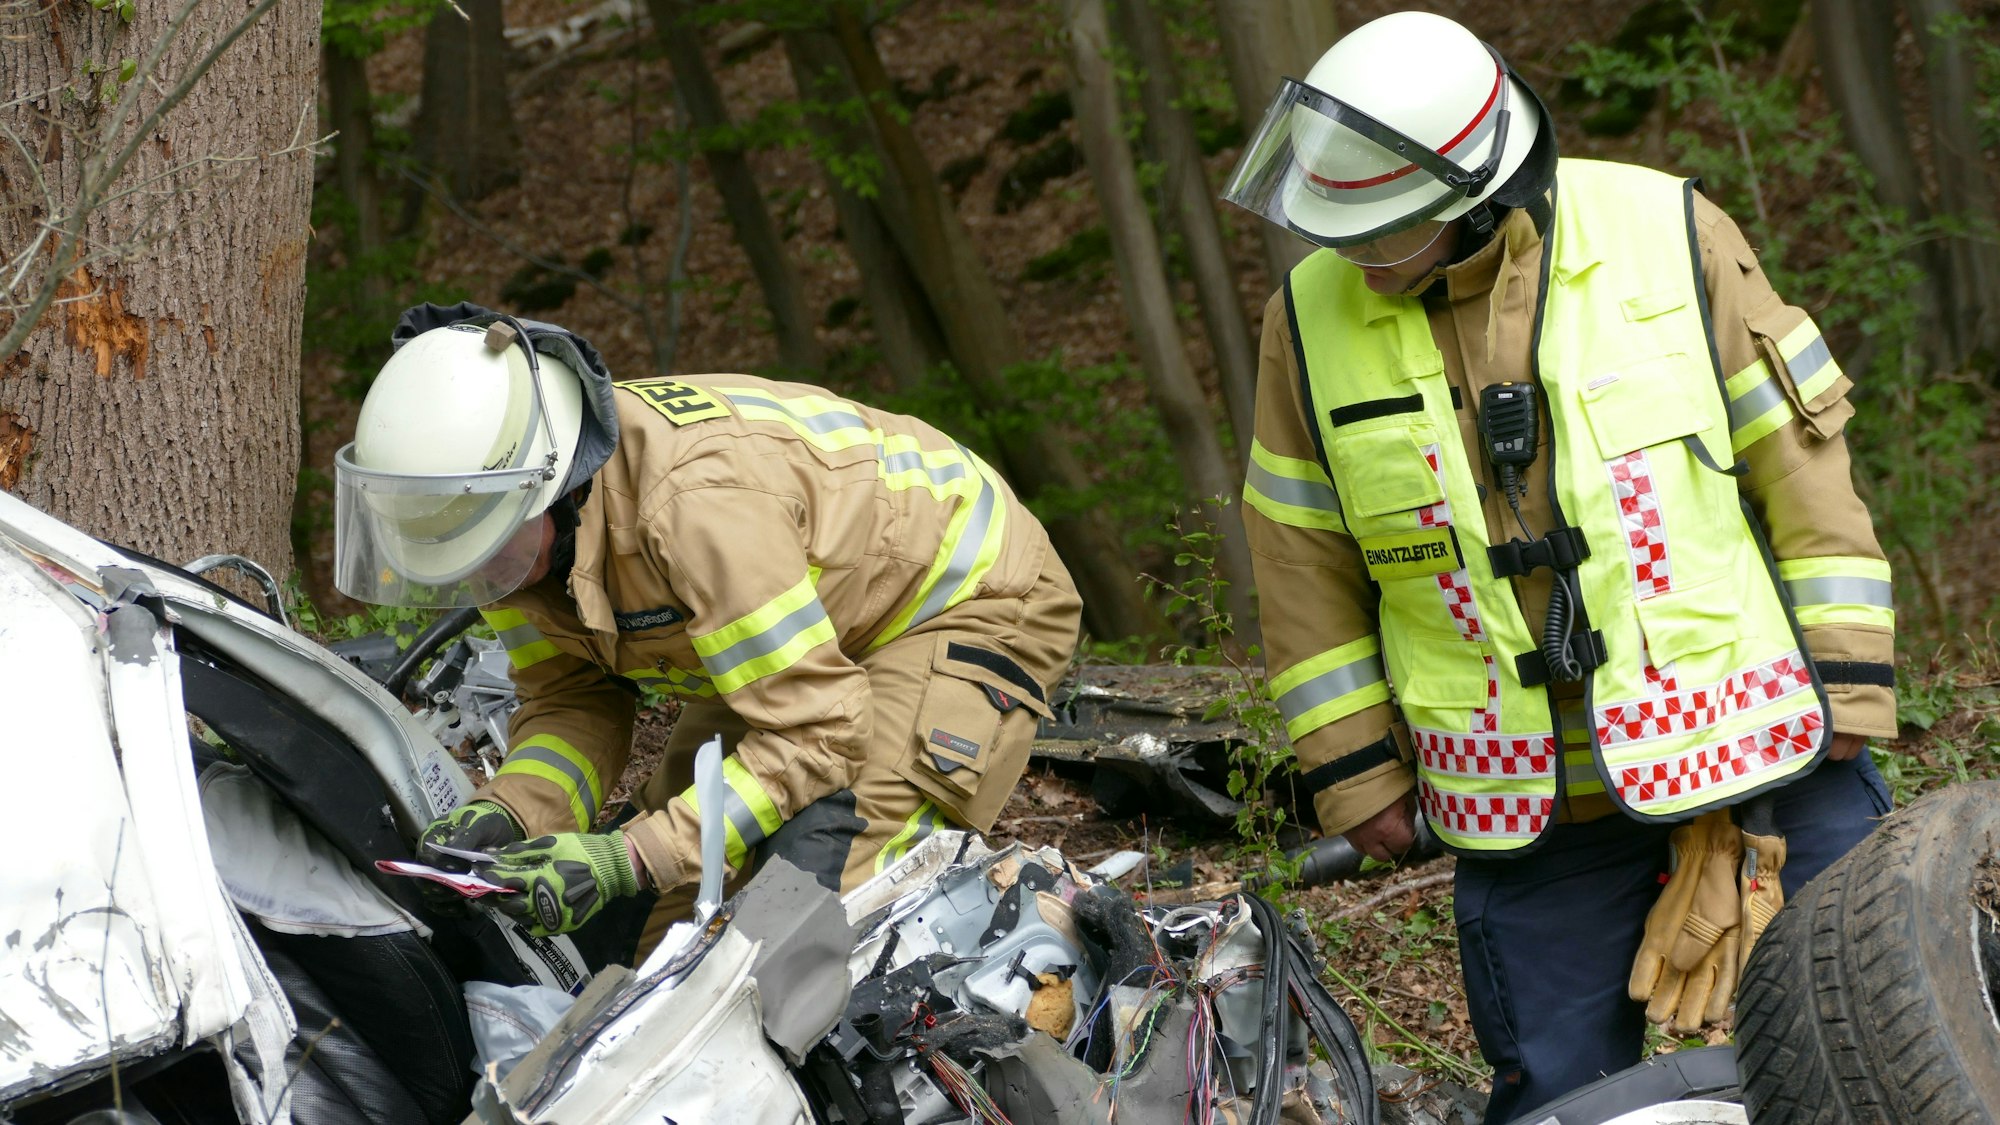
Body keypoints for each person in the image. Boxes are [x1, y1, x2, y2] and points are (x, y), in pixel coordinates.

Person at [1222, 12, 1895, 1121]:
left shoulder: (1666, 230)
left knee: (1870, 1031)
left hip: (1768, 741)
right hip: (1522, 799)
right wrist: (1353, 769)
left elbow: (1802, 470)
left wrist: (1852, 685)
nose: (1352, 257)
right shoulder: (1303, 321)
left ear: (1472, 196)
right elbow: (1296, 549)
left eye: (1380, 232)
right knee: (1554, 1096)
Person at [333, 303, 1081, 958]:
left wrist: (629, 855)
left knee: (810, 919)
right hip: (802, 619)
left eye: (482, 544)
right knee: (655, 930)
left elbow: (819, 731)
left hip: (959, 592)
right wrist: (511, 812)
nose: (475, 575)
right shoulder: (505, 532)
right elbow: (573, 701)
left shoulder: (694, 510)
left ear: (550, 488)